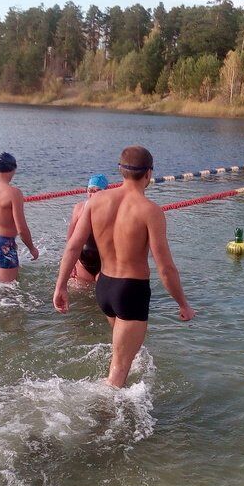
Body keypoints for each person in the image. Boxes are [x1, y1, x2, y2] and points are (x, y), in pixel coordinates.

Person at [53, 146, 195, 388]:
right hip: (131, 291)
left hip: (105, 288)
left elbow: (72, 247)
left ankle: (115, 397)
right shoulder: (150, 211)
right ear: (149, 173)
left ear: (120, 171)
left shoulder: (96, 201)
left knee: (123, 356)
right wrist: (183, 304)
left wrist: (61, 286)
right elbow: (166, 268)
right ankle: (103, 421)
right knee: (117, 375)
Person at [0, 152, 39, 282]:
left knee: (4, 286)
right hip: (3, 245)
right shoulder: (13, 193)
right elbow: (21, 228)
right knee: (9, 294)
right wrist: (32, 248)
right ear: (13, 169)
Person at [66, 174, 108, 284]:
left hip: (105, 263)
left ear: (105, 192)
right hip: (83, 262)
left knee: (101, 297)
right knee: (80, 297)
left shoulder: (111, 210)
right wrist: (70, 263)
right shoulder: (79, 208)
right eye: (90, 190)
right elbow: (70, 238)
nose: (92, 194)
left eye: (97, 191)